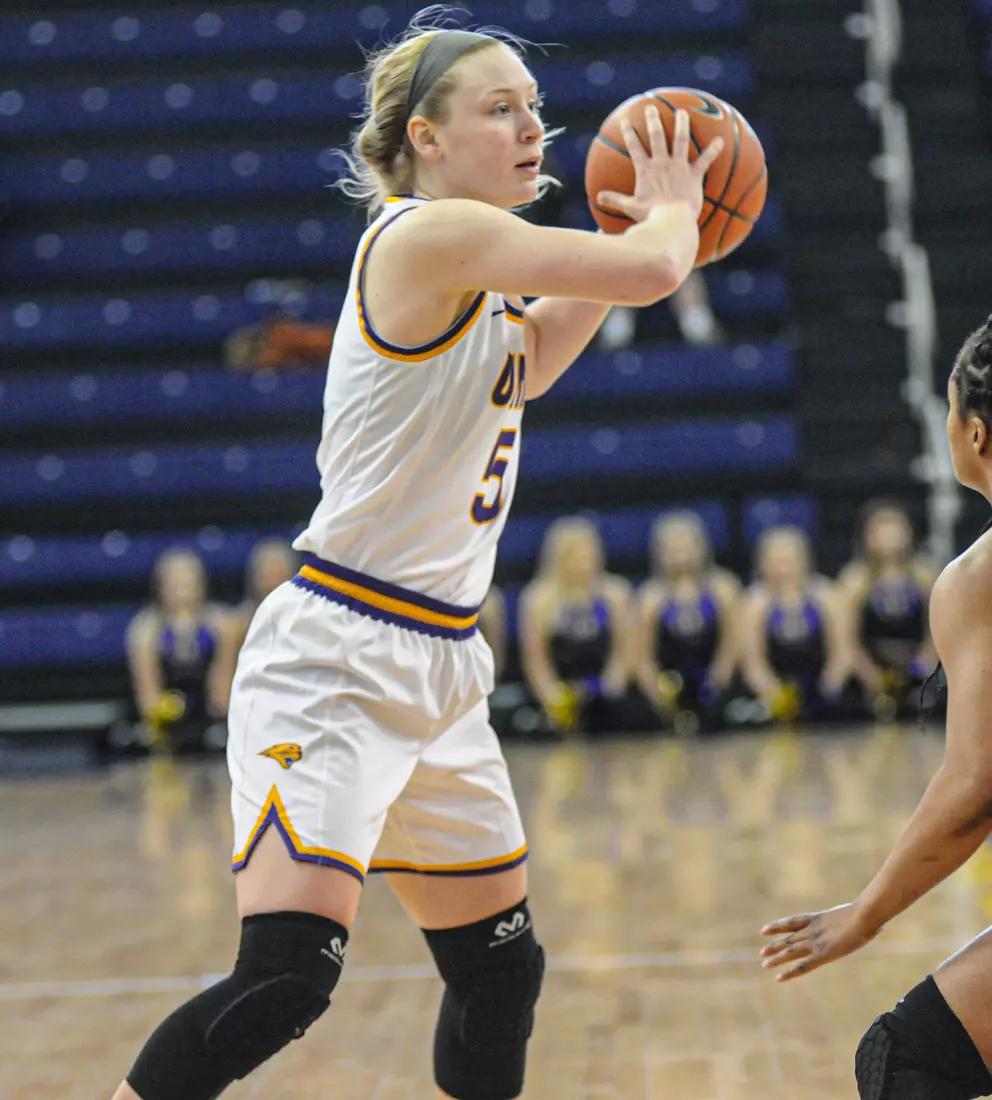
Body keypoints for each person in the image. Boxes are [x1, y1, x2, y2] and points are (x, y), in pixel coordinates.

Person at [109, 11, 723, 1100]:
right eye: (500, 107)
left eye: (536, 106)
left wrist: (631, 231)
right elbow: (650, 275)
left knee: (501, 971)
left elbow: (525, 360)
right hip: (337, 657)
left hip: (442, 663)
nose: (532, 125)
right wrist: (673, 214)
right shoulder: (423, 234)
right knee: (285, 979)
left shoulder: (476, 278)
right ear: (425, 139)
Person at [758, 316, 992, 1100]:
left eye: (948, 409)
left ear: (977, 434)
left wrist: (868, 910)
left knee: (905, 1059)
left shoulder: (977, 583)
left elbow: (972, 790)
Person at [518, 517, 637, 736]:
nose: (583, 558)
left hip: (605, 691)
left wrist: (610, 690)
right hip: (560, 690)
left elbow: (625, 652)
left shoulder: (615, 593)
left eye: (588, 550)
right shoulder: (538, 599)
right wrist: (555, 701)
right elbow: (536, 661)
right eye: (575, 552)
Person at [125, 548, 238, 754]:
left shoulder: (220, 625)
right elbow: (148, 698)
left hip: (207, 714)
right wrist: (161, 719)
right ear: (160, 588)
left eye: (187, 584)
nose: (181, 593)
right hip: (165, 715)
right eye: (174, 585)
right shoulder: (145, 628)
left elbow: (222, 695)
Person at [636, 512, 741, 735]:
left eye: (686, 547)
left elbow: (731, 646)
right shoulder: (651, 596)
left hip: (712, 680)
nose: (680, 555)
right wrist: (659, 696)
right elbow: (643, 657)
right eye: (673, 549)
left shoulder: (723, 587)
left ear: (701, 548)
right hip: (671, 681)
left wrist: (718, 682)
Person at [739, 526, 852, 723]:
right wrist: (780, 699)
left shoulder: (829, 596)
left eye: (789, 561)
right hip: (772, 696)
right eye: (775, 562)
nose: (783, 569)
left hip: (823, 691)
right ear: (761, 564)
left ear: (805, 561)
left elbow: (843, 655)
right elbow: (753, 666)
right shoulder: (753, 602)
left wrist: (828, 691)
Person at [839, 500, 938, 720]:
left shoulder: (924, 575)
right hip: (870, 669)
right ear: (868, 537)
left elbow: (936, 632)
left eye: (894, 532)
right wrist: (872, 678)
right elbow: (847, 640)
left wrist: (922, 667)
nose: (888, 539)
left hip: (918, 669)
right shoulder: (855, 580)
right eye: (882, 533)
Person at [229, 539, 299, 647]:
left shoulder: (305, 619)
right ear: (255, 579)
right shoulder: (240, 625)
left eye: (280, 576)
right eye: (268, 576)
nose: (273, 583)